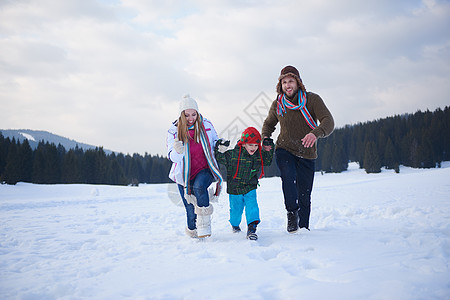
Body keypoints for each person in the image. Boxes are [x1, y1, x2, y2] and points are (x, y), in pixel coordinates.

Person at [261, 65, 334, 233]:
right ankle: (292, 213)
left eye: (291, 81)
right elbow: (269, 124)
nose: (288, 85)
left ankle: (303, 228)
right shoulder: (278, 104)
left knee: (305, 194)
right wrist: (265, 137)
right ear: (280, 85)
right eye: (284, 82)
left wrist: (315, 134)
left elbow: (328, 121)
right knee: (288, 177)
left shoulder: (312, 100)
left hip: (307, 153)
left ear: (298, 83)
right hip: (284, 148)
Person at [167, 94, 223, 238]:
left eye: (193, 114)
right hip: (183, 175)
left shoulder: (207, 125)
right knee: (190, 211)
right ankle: (193, 231)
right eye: (187, 115)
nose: (191, 118)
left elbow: (215, 142)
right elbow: (172, 157)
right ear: (181, 115)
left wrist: (221, 145)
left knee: (199, 187)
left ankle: (205, 227)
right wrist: (177, 151)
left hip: (205, 169)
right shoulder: (174, 130)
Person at [214, 127, 274, 240]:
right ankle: (235, 225)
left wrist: (268, 148)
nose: (254, 148)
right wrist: (220, 147)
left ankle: (252, 229)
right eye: (251, 145)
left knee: (252, 207)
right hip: (234, 189)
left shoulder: (258, 155)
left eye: (256, 145)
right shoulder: (232, 154)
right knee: (236, 212)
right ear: (243, 144)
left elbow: (267, 160)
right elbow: (218, 157)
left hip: (250, 187)